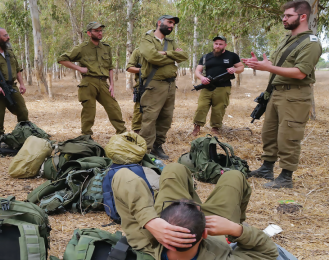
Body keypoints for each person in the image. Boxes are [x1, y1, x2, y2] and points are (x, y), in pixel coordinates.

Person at [111, 163, 278, 260]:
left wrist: (149, 220)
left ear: (160, 226)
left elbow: (122, 176)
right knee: (234, 176)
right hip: (220, 226)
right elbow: (268, 251)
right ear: (204, 233)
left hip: (190, 223)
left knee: (174, 169)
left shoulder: (145, 243)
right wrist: (236, 229)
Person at [242, 0, 322, 189]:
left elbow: (300, 72)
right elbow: (279, 67)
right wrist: (263, 65)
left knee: (289, 136)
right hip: (276, 94)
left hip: (294, 96)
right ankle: (266, 168)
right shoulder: (287, 39)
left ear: (303, 17)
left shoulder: (310, 43)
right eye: (283, 15)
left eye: (288, 16)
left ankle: (286, 177)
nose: (283, 19)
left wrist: (268, 67)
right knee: (269, 134)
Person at [57, 22, 127, 136]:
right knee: (89, 112)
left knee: (114, 108)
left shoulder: (106, 48)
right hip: (88, 83)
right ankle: (86, 137)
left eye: (101, 31)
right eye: (97, 31)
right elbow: (61, 59)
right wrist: (79, 68)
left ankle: (123, 134)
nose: (100, 33)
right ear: (89, 33)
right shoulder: (82, 48)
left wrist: (112, 85)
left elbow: (110, 67)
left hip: (103, 83)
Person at [138, 15, 188, 160]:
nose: (171, 26)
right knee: (150, 118)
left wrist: (166, 52)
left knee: (166, 118)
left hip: (171, 85)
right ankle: (145, 150)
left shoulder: (170, 41)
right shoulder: (147, 40)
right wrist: (174, 55)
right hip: (154, 84)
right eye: (169, 22)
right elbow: (153, 57)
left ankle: (157, 146)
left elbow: (184, 55)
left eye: (173, 24)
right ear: (159, 23)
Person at [0, 27, 29, 143]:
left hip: (11, 86)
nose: (8, 37)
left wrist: (22, 84)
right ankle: (0, 139)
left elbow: (17, 69)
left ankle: (24, 133)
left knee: (22, 110)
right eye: (5, 35)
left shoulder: (10, 52)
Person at [192, 36, 244, 136]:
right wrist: (202, 78)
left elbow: (241, 67)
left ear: (225, 45)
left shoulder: (232, 56)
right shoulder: (206, 57)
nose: (218, 46)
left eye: (221, 44)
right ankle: (197, 127)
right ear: (213, 44)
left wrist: (235, 70)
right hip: (207, 86)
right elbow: (198, 71)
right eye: (216, 44)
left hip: (223, 87)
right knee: (202, 106)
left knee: (219, 108)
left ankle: (215, 128)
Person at [126, 48, 143, 134]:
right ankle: (137, 134)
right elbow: (129, 68)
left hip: (159, 86)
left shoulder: (163, 50)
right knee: (139, 110)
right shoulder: (138, 51)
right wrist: (142, 70)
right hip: (142, 85)